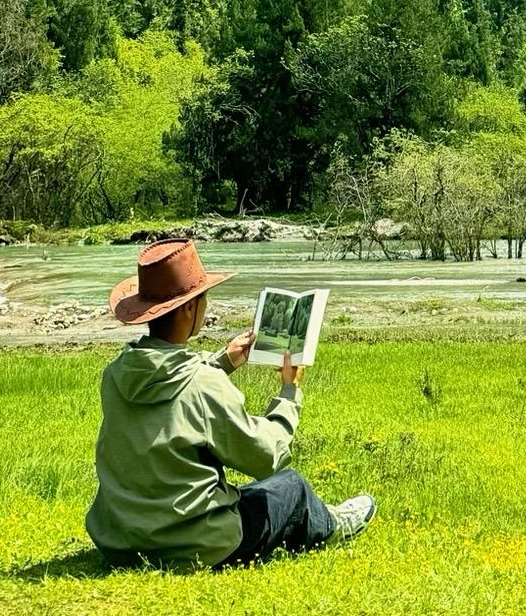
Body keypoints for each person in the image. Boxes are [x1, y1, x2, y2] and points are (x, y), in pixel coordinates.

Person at [85, 238, 376, 569]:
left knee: (241, 492)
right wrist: (289, 393)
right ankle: (334, 525)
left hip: (121, 540)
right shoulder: (203, 384)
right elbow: (266, 455)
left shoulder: (116, 375)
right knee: (291, 487)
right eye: (203, 299)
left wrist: (225, 360)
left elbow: (175, 390)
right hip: (190, 544)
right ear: (189, 308)